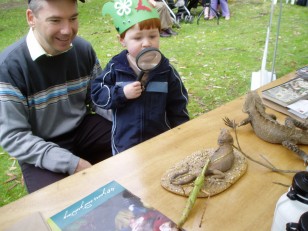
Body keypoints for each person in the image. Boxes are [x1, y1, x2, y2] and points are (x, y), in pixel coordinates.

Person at [0, 0, 112, 193]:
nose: (67, 30)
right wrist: (72, 164)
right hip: (39, 145)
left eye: (73, 18)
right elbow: (13, 136)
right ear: (31, 18)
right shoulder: (10, 67)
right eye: (55, 20)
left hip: (83, 129)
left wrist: (128, 118)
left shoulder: (83, 49)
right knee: (58, 203)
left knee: (132, 137)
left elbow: (98, 98)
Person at [91, 0, 190, 154]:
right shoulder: (116, 67)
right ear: (122, 40)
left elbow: (178, 106)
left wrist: (182, 134)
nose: (146, 43)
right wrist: (121, 93)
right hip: (125, 145)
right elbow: (97, 95)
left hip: (161, 144)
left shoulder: (165, 70)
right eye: (138, 38)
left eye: (153, 36)